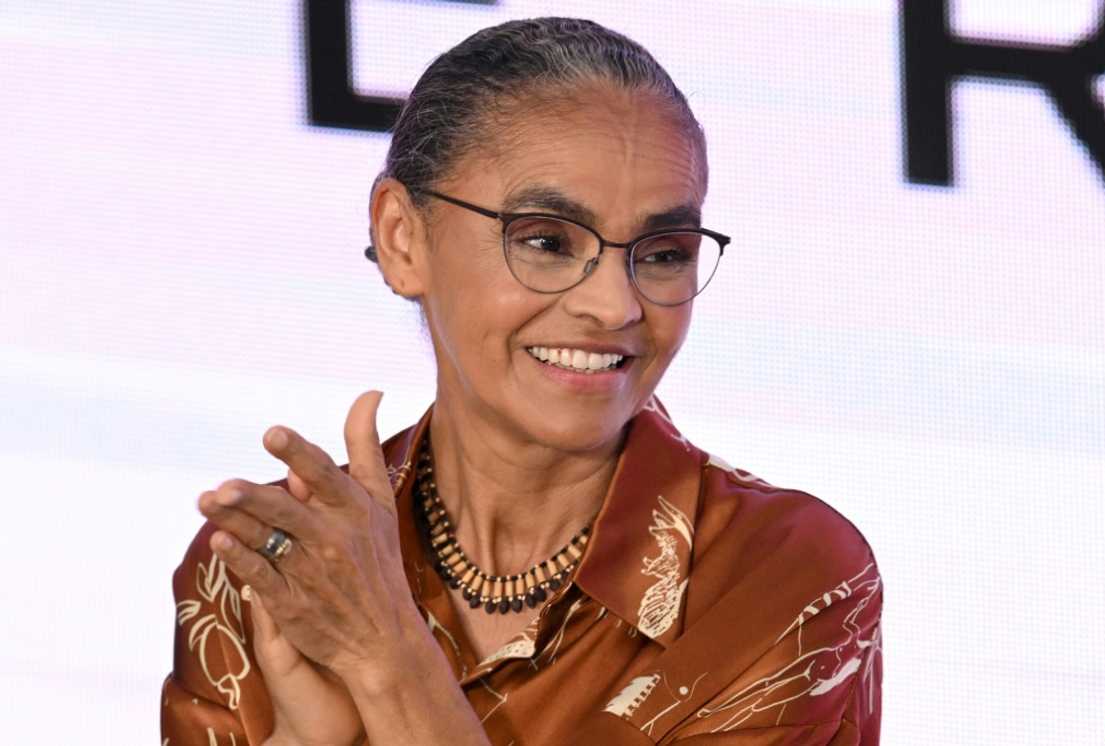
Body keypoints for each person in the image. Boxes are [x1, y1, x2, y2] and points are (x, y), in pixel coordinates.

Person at [161, 16, 882, 746]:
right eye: (546, 242)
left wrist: (385, 662)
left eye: (664, 253)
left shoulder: (779, 577)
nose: (615, 305)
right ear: (402, 238)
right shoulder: (274, 562)